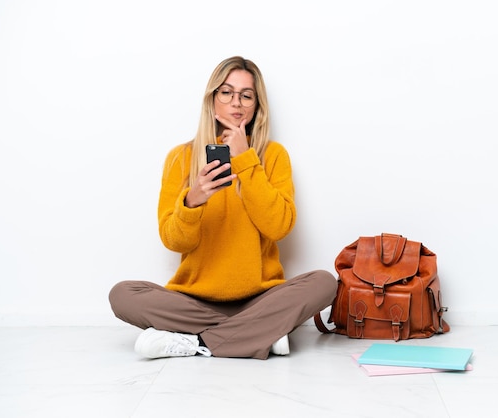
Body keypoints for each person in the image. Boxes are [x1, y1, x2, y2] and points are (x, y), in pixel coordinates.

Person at [109, 56, 337, 360]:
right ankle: (260, 334)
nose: (237, 103)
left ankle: (197, 342)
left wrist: (245, 160)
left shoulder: (273, 155)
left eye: (246, 95)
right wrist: (193, 201)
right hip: (193, 301)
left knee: (323, 283)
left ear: (257, 105)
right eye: (226, 93)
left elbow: (279, 227)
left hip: (261, 298)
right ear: (212, 99)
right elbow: (173, 240)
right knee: (123, 294)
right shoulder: (181, 158)